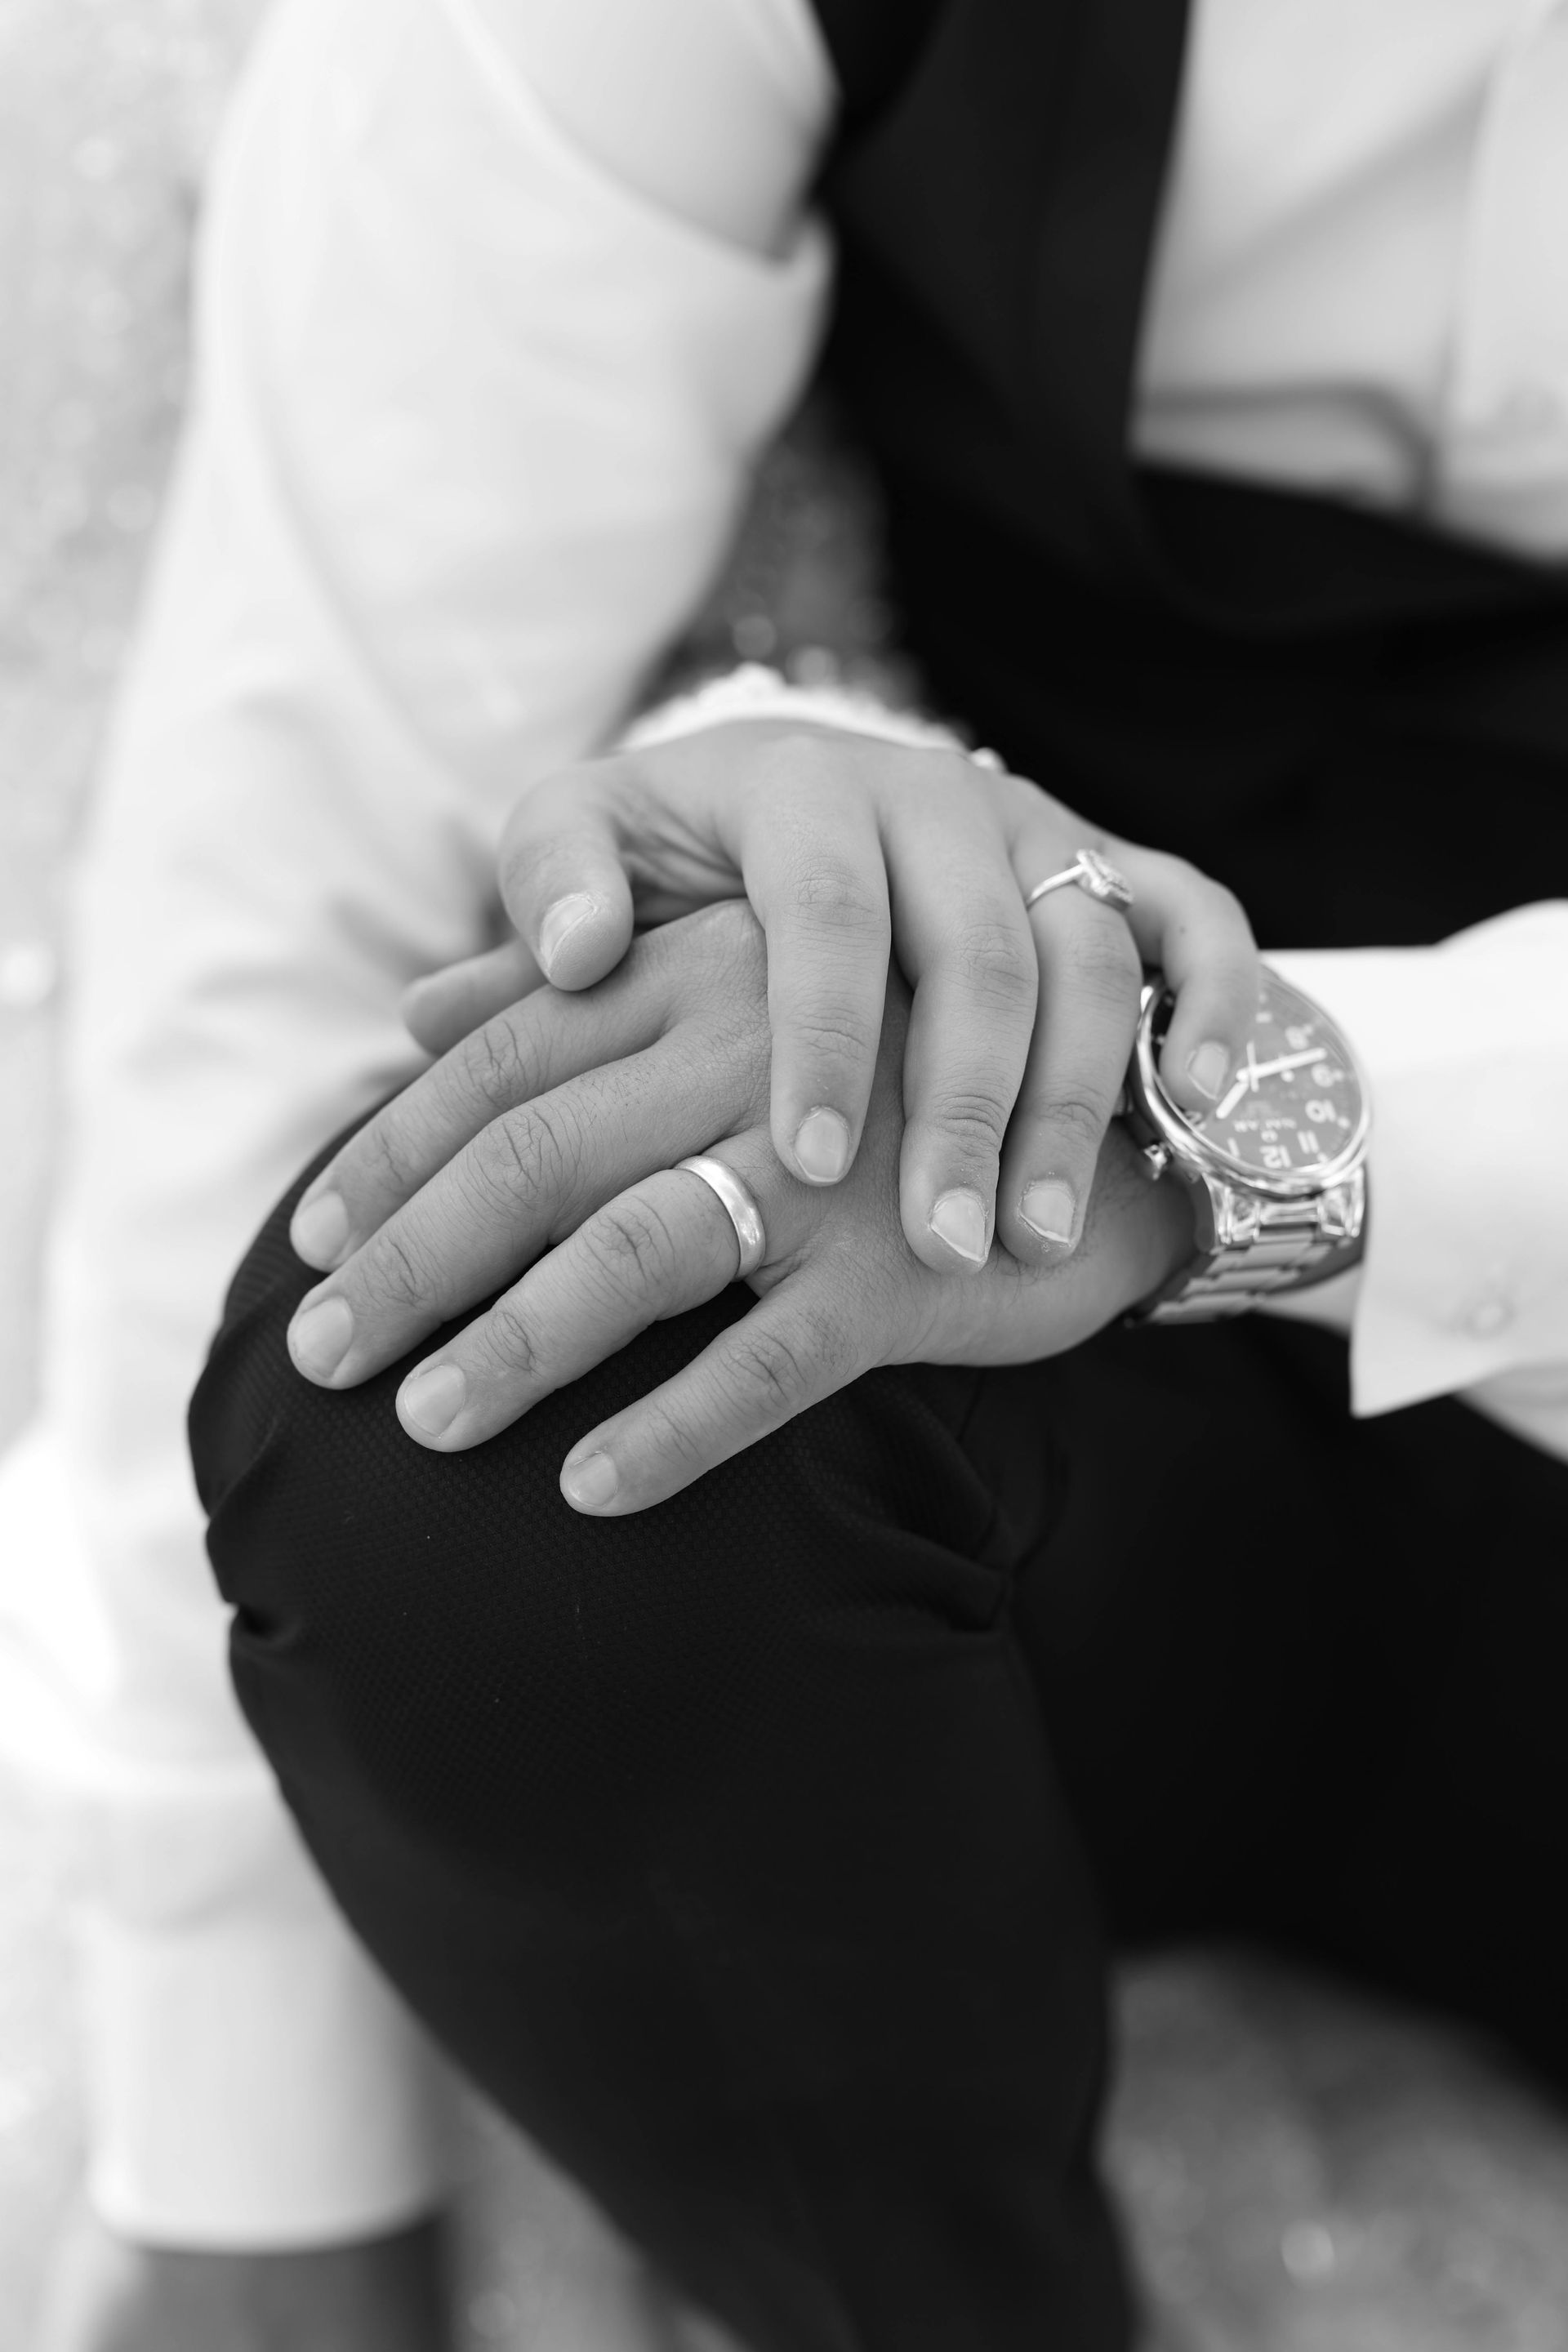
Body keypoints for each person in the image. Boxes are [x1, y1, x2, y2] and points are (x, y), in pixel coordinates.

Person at [20, 0, 1568, 2346]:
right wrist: (253, 2162)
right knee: (501, 1362)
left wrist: (1207, 1114)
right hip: (1115, 1476)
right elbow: (306, 853)